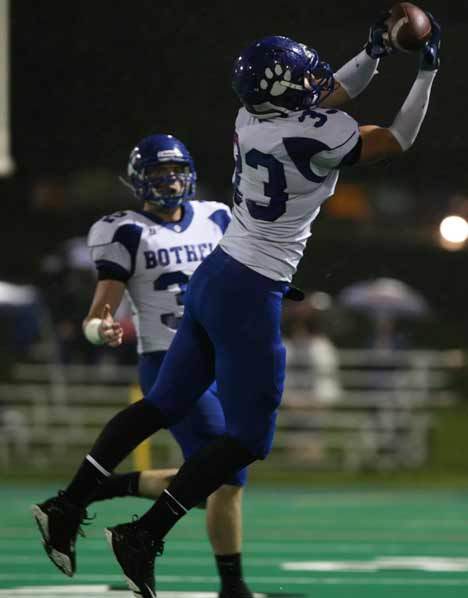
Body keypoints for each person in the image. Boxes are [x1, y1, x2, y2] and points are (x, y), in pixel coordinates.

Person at [32, 12, 441, 598]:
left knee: (164, 402)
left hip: (218, 273)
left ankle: (69, 504)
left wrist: (374, 51)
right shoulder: (315, 135)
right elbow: (398, 137)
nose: (314, 80)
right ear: (282, 91)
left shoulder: (252, 117)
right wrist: (427, 68)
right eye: (299, 76)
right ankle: (144, 534)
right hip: (250, 289)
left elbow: (328, 93)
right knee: (248, 441)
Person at [32, 133, 253, 598]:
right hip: (169, 359)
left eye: (175, 171)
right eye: (157, 173)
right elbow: (99, 312)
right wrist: (101, 329)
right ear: (138, 181)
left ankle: (91, 493)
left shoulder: (218, 217)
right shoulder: (123, 229)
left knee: (223, 476)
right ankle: (230, 585)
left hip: (222, 362)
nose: (170, 181)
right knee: (225, 476)